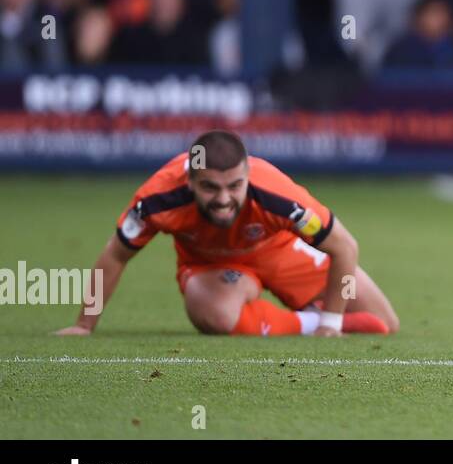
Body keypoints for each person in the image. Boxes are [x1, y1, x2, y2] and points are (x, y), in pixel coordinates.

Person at [56, 130, 399, 338]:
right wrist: (85, 325)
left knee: (386, 321)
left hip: (279, 250)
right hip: (212, 268)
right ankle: (305, 323)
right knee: (214, 315)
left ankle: (318, 317)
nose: (223, 199)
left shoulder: (278, 196)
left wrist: (333, 321)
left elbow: (344, 247)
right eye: (210, 188)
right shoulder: (158, 200)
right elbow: (116, 254)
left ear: (248, 176)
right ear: (189, 181)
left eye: (234, 186)